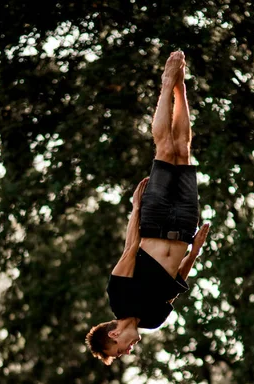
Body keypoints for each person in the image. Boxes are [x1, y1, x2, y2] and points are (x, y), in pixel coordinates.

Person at [86, 51, 210, 365]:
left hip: (153, 221)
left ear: (113, 335)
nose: (128, 350)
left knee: (165, 148)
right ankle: (181, 90)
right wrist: (194, 250)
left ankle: (167, 84)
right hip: (183, 227)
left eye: (120, 350)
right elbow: (178, 280)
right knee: (183, 150)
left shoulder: (118, 296)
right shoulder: (155, 320)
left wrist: (136, 207)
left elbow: (130, 248)